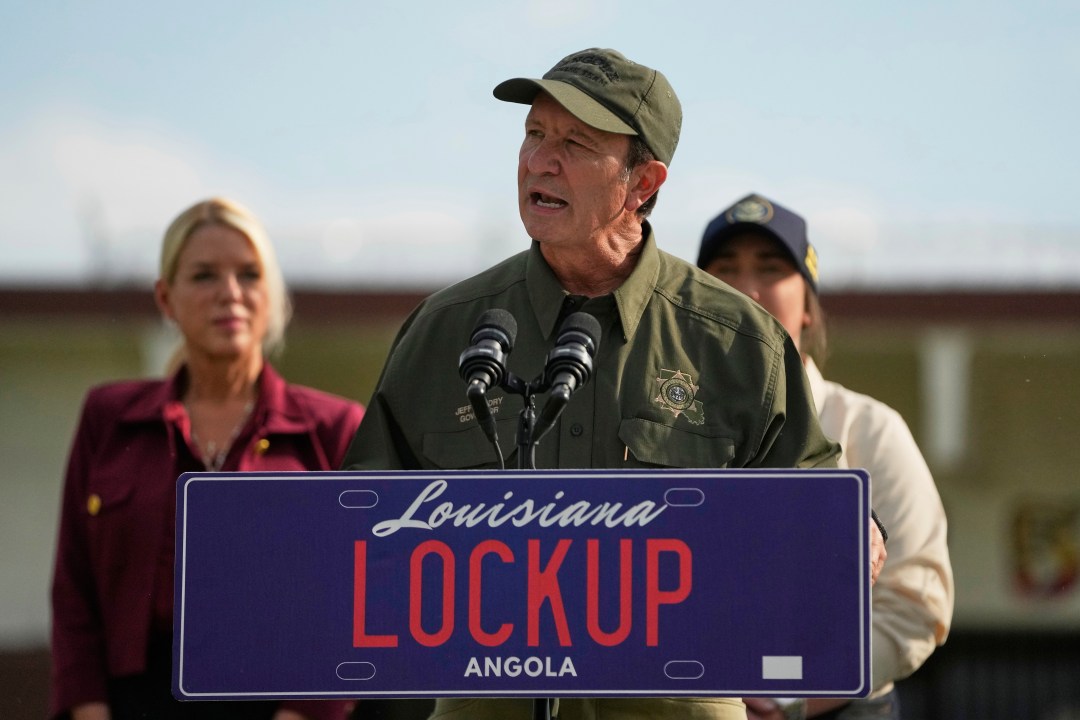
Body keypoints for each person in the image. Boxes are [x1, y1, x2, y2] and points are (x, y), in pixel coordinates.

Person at [342, 49, 885, 720]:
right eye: (534, 134)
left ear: (643, 183)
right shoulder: (444, 329)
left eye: (575, 143)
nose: (541, 161)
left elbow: (813, 507)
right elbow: (360, 534)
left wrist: (851, 526)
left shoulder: (737, 342)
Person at [49, 197, 365, 720]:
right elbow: (73, 587)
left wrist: (306, 713)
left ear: (271, 294)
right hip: (132, 700)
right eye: (204, 275)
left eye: (249, 274)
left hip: (279, 703)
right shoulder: (107, 418)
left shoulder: (334, 429)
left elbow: (358, 598)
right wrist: (88, 711)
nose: (230, 293)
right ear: (166, 298)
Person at [697, 193, 955, 720]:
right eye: (724, 269)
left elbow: (913, 605)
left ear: (809, 306)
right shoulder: (663, 431)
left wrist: (787, 699)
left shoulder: (869, 428)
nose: (746, 289)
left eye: (771, 268)